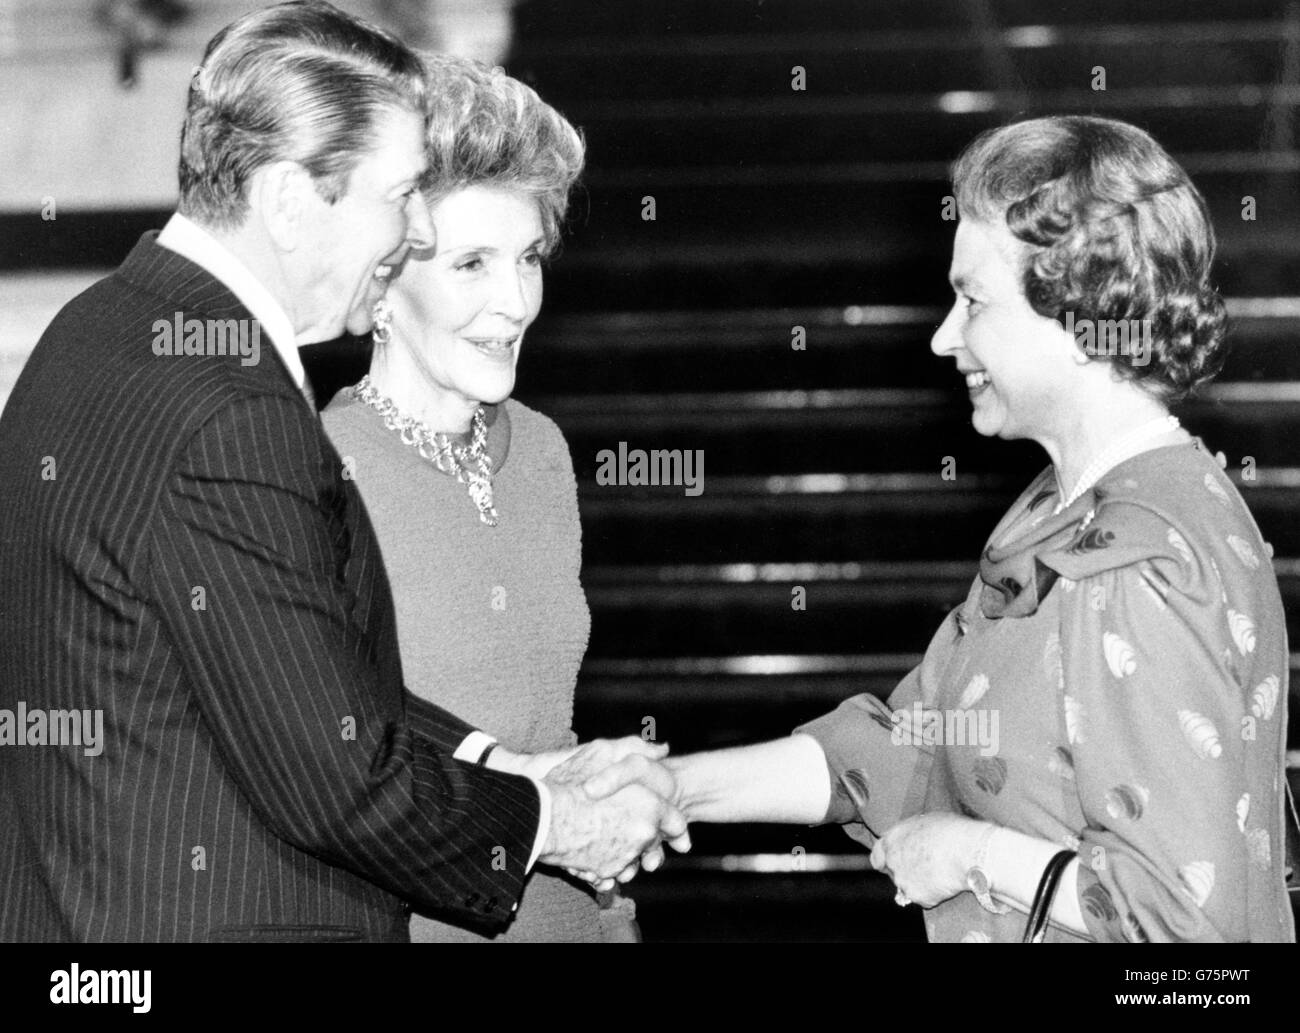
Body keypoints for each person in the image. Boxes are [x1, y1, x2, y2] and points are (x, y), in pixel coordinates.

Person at [0, 0, 682, 943]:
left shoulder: (98, 326)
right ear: (289, 200)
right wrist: (560, 821)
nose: (408, 232)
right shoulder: (231, 414)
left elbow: (299, 681)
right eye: (399, 195)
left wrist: (514, 766)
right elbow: (335, 776)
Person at [639, 115, 1295, 943]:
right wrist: (671, 788)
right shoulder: (1062, 508)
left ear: (1082, 319)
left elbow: (1188, 936)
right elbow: (915, 747)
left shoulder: (1137, 560)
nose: (945, 336)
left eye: (974, 301)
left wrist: (972, 851)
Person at [321, 54, 634, 942]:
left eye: (528, 256)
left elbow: (548, 726)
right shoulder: (319, 469)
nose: (515, 301)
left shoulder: (538, 449)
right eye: (471, 264)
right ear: (383, 279)